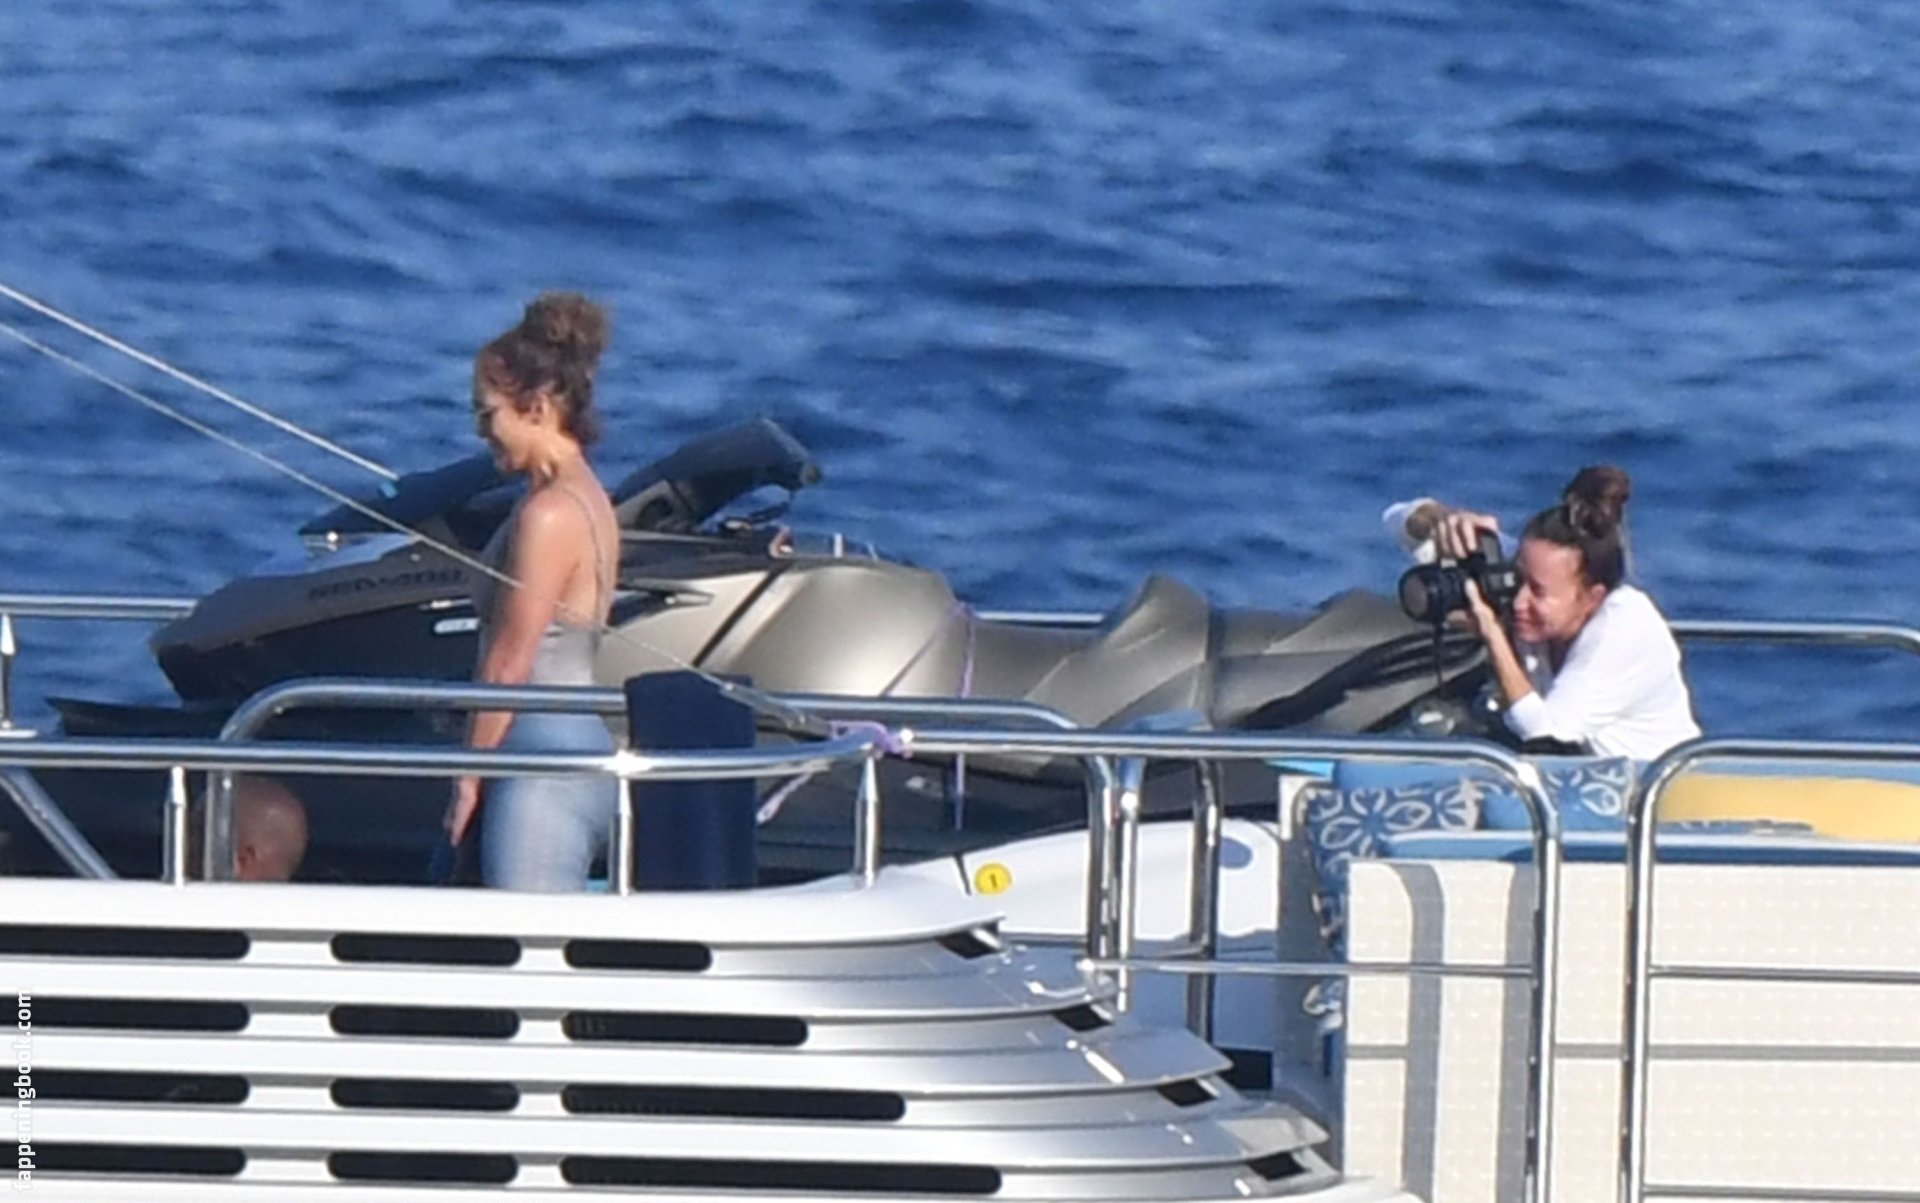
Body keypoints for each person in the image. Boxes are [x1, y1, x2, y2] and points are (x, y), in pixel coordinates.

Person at [443, 292, 621, 891]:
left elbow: (510, 661)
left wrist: (467, 777)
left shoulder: (550, 513)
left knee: (527, 935)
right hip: (563, 744)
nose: (481, 431)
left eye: (488, 413)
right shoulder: (579, 495)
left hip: (541, 766)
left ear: (537, 408)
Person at [1385, 465, 1700, 761]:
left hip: (1654, 785)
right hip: (1577, 773)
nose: (1518, 601)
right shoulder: (1537, 570)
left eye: (1538, 591)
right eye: (1518, 580)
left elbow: (1543, 731)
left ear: (1593, 597)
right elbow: (1398, 519)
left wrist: (1493, 634)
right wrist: (1449, 524)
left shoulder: (1625, 628)